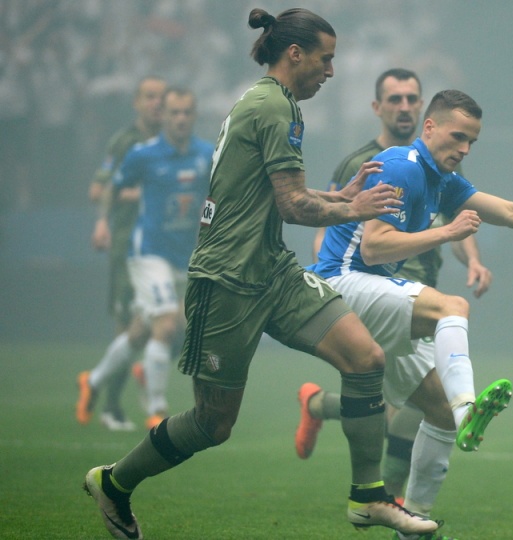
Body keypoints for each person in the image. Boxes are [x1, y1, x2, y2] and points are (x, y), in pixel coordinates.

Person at [82, 8, 439, 539]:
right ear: (295, 54)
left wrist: (337, 196)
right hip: (226, 281)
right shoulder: (274, 106)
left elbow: (281, 196)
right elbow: (294, 207)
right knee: (213, 423)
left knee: (365, 358)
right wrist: (357, 209)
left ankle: (368, 497)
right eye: (326, 58)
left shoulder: (273, 102)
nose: (331, 71)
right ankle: (115, 483)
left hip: (271, 270)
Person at [300, 89, 513, 538]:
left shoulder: (444, 181)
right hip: (340, 286)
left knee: (437, 414)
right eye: (457, 136)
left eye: (472, 141)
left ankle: (412, 526)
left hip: (365, 293)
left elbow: (509, 211)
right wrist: (447, 231)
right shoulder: (400, 168)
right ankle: (468, 406)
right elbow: (373, 247)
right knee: (452, 306)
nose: (464, 149)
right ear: (429, 127)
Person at [300, 69, 493, 503]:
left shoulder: (439, 166)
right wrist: (327, 275)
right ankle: (389, 496)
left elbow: (474, 218)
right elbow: (338, 229)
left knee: (424, 407)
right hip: (365, 284)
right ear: (378, 108)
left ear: (422, 107)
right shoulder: (369, 163)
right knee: (405, 406)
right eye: (396, 99)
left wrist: (475, 259)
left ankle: (404, 515)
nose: (403, 106)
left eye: (411, 98)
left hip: (407, 286)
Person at [81, 87, 214, 434]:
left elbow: (214, 196)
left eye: (187, 112)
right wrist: (101, 223)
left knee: (144, 331)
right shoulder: (143, 154)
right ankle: (157, 408)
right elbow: (111, 187)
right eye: (174, 113)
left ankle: (93, 381)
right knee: (166, 324)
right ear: (164, 117)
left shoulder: (205, 154)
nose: (181, 119)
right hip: (148, 252)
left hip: (183, 254)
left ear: (194, 115)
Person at [77, 75, 167, 432]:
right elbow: (98, 188)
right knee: (126, 327)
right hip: (127, 246)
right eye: (149, 97)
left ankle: (118, 379)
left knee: (164, 326)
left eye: (161, 97)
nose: (156, 103)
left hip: (161, 251)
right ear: (137, 102)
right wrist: (103, 221)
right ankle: (111, 404)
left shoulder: (172, 144)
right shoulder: (125, 142)